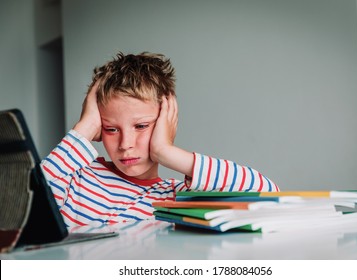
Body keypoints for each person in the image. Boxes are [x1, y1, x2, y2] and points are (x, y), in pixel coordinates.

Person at [41, 52, 279, 228]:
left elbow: (267, 196)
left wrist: (166, 151)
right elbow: (16, 207)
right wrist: (84, 128)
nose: (126, 144)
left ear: (166, 123)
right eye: (111, 129)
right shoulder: (74, 176)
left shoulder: (175, 198)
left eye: (141, 126)